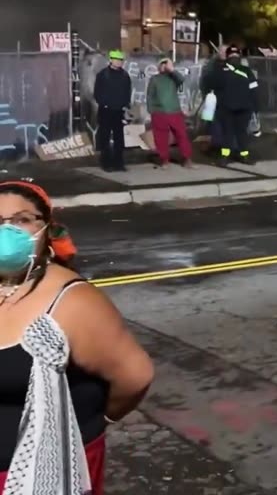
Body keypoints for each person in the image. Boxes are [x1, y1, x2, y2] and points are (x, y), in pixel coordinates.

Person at [0, 180, 154, 493]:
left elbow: (134, 377)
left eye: (22, 220)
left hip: (41, 475)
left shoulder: (73, 301)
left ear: (47, 230)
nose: (6, 232)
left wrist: (95, 422)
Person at [208, 46, 259, 165]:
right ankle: (232, 156)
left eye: (235, 55)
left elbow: (254, 89)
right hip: (234, 108)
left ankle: (236, 156)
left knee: (235, 134)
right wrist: (255, 106)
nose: (234, 57)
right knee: (233, 133)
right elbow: (254, 90)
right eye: (233, 55)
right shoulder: (242, 71)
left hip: (236, 108)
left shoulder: (224, 70)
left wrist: (255, 106)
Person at [146, 57, 193, 169]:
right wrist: (152, 110)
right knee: (161, 137)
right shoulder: (154, 79)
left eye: (167, 63)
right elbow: (150, 95)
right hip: (159, 113)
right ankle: (164, 160)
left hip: (175, 112)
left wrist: (171, 70)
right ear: (159, 66)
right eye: (163, 63)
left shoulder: (173, 77)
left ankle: (187, 159)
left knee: (182, 135)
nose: (165, 65)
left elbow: (181, 79)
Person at [93, 51, 132, 172]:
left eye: (121, 60)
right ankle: (106, 163)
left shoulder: (125, 75)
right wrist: (104, 103)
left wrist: (125, 105)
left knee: (119, 138)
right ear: (111, 60)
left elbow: (127, 92)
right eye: (117, 59)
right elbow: (97, 92)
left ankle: (119, 163)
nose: (119, 62)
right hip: (105, 110)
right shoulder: (103, 75)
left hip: (119, 111)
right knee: (105, 137)